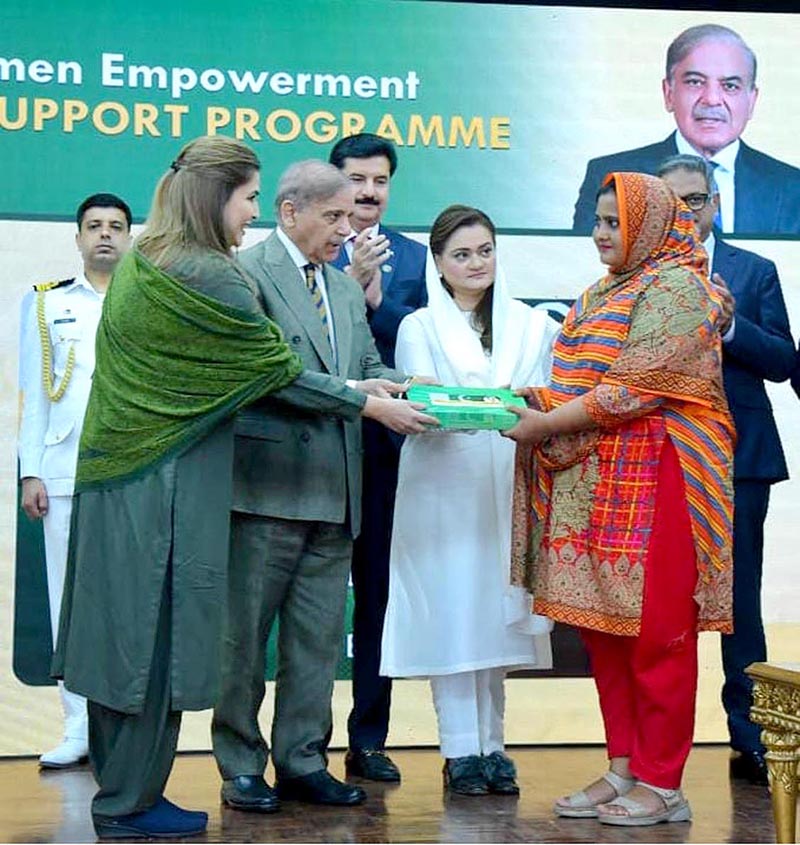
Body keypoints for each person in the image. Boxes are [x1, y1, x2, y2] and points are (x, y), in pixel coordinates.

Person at [52, 138, 430, 839]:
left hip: (133, 478)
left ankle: (143, 792)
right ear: (218, 197)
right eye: (249, 197)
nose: (252, 211)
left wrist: (371, 384)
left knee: (136, 643)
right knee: (155, 645)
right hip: (173, 485)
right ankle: (137, 799)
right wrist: (368, 403)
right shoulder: (218, 273)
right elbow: (273, 372)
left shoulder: (149, 260)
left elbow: (327, 365)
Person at [507, 172, 734, 826]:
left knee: (657, 633)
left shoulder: (681, 286)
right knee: (605, 632)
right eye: (599, 221)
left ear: (652, 223)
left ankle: (664, 783)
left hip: (662, 477)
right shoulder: (600, 292)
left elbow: (636, 387)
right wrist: (531, 403)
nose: (603, 233)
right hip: (595, 480)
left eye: (616, 222)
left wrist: (545, 423)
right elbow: (578, 382)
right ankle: (625, 765)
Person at [211, 160, 435, 812]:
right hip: (264, 490)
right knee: (245, 643)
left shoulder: (341, 287)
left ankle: (303, 759)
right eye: (334, 216)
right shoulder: (245, 275)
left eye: (350, 215)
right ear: (289, 212)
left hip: (337, 491)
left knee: (314, 644)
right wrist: (366, 401)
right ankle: (241, 763)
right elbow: (271, 377)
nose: (350, 226)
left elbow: (367, 367)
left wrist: (421, 390)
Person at [380, 205, 557, 796]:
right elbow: (428, 409)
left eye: (484, 250)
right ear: (437, 264)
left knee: (495, 619)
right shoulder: (419, 327)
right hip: (442, 490)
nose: (475, 263)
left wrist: (500, 405)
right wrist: (482, 405)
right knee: (451, 614)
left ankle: (494, 748)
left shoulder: (534, 326)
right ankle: (459, 751)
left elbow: (540, 400)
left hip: (511, 484)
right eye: (461, 254)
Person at [658, 154, 795, 786]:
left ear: (715, 203)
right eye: (671, 202)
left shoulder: (753, 270)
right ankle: (662, 747)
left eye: (695, 200)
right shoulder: (641, 273)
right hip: (663, 457)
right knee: (665, 604)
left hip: (739, 460)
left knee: (739, 603)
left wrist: (732, 324)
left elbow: (784, 361)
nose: (685, 213)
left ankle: (754, 739)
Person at [18, 192, 132, 769]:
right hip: (65, 469)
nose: (105, 235)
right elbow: (35, 395)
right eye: (94, 226)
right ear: (79, 236)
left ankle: (123, 728)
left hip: (132, 471)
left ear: (130, 236)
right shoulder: (45, 305)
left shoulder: (146, 302)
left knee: (127, 600)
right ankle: (78, 724)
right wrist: (30, 470)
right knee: (69, 600)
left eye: (115, 226)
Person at [329, 132, 427, 783]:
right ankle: (296, 746)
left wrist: (374, 300)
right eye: (357, 179)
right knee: (304, 602)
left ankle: (368, 737)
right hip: (315, 454)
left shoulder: (420, 260)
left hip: (385, 457)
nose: (368, 191)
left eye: (379, 180)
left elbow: (424, 349)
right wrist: (342, 283)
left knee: (376, 602)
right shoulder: (303, 252)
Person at [572, 24, 800, 236]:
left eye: (730, 86)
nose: (711, 100)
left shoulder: (793, 187)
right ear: (669, 93)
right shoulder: (612, 176)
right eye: (695, 82)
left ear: (751, 101)